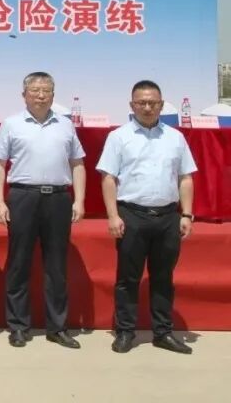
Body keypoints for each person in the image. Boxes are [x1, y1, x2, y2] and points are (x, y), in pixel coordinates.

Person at [97, 80, 197, 355]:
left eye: (153, 102)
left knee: (163, 277)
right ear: (132, 105)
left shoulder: (175, 137)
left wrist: (187, 213)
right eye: (141, 102)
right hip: (132, 215)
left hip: (167, 217)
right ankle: (125, 331)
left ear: (161, 105)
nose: (148, 107)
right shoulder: (118, 137)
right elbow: (108, 178)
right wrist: (113, 216)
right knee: (128, 278)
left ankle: (163, 332)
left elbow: (185, 177)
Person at [0, 72, 85, 349]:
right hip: (23, 197)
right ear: (24, 95)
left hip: (58, 198)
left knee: (57, 267)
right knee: (18, 263)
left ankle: (58, 327)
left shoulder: (66, 125)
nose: (41, 95)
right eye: (35, 90)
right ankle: (18, 327)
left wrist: (79, 200)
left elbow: (77, 164)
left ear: (53, 95)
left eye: (46, 90)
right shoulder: (11, 124)